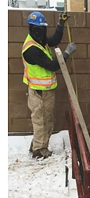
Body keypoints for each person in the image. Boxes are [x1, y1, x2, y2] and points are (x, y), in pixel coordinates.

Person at [22, 11, 77, 159]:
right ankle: (39, 151)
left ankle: (38, 146)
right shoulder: (31, 49)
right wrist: (66, 54)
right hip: (38, 92)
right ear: (34, 29)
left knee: (47, 120)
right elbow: (53, 65)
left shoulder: (38, 40)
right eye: (41, 28)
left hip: (45, 90)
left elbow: (54, 40)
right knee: (41, 122)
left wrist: (61, 24)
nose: (43, 31)